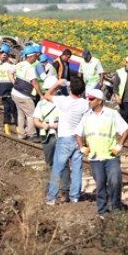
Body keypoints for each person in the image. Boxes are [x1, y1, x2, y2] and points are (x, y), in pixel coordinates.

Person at [75, 88, 128, 219]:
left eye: (92, 99)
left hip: (111, 156)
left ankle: (116, 208)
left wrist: (119, 145)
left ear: (100, 101)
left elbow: (126, 129)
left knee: (115, 181)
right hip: (95, 157)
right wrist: (82, 147)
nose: (89, 101)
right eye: (88, 98)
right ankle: (103, 211)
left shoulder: (112, 114)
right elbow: (78, 133)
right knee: (100, 184)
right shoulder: (86, 116)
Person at [44, 77, 89, 205]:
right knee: (77, 169)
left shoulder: (63, 101)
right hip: (78, 140)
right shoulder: (85, 104)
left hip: (64, 139)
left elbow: (47, 95)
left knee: (57, 168)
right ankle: (75, 196)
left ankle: (51, 197)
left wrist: (57, 83)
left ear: (70, 88)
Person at [33, 77, 69, 199]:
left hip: (60, 135)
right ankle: (48, 189)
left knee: (63, 163)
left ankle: (64, 190)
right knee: (50, 163)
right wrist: (45, 125)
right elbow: (36, 121)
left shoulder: (63, 101)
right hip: (47, 137)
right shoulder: (41, 104)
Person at [11, 46, 43, 141]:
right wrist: (41, 95)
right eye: (34, 56)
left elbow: (10, 71)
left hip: (15, 93)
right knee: (31, 114)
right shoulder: (30, 68)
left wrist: (14, 82)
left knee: (21, 114)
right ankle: (32, 134)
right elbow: (35, 83)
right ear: (30, 56)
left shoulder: (20, 64)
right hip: (24, 96)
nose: (36, 58)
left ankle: (21, 134)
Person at [0, 51, 18, 135]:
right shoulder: (12, 67)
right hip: (11, 90)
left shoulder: (0, 67)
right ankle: (18, 128)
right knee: (15, 109)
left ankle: (7, 128)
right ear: (10, 58)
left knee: (6, 109)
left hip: (2, 90)